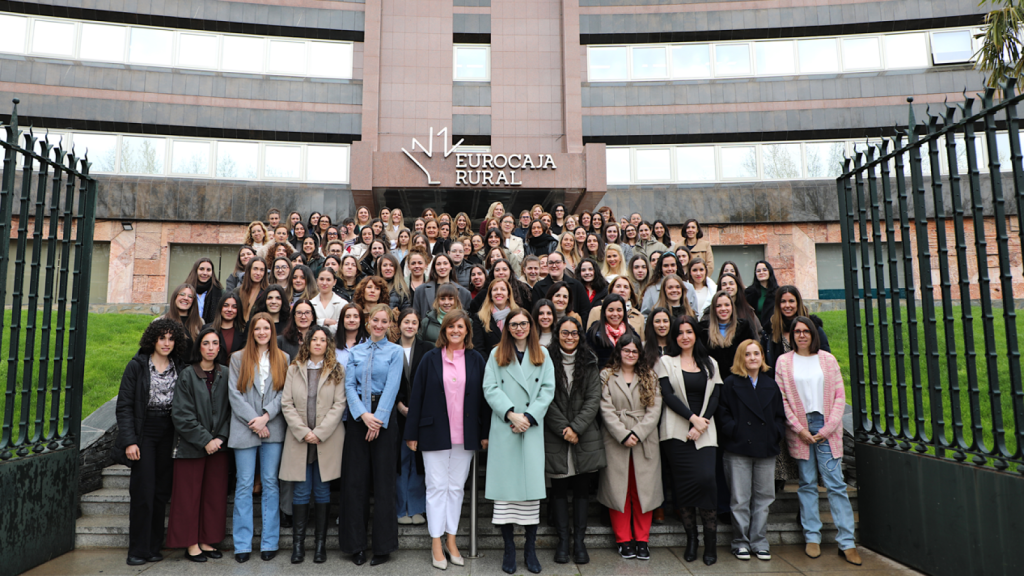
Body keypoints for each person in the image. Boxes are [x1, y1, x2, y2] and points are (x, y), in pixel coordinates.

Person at [404, 311, 489, 569]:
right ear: (444, 330)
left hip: (466, 435)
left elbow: (485, 399)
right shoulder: (430, 358)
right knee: (436, 487)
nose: (455, 330)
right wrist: (412, 433)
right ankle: (436, 543)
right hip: (433, 433)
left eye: (460, 327)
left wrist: (485, 433)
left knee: (455, 489)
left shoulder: (476, 359)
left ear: (467, 331)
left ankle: (451, 540)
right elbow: (416, 396)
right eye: (450, 326)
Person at [775, 317, 861, 566]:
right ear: (792, 336)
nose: (801, 335)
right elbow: (782, 400)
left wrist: (828, 427)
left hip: (827, 427)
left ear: (813, 334)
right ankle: (811, 536)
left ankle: (847, 542)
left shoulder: (827, 359)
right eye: (797, 331)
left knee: (835, 484)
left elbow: (839, 396)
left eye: (806, 331)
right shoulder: (784, 361)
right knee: (807, 483)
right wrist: (799, 428)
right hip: (800, 429)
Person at [482, 310, 555, 575]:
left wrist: (529, 417)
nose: (519, 328)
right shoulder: (496, 354)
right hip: (506, 427)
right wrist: (512, 413)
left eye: (524, 323)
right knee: (505, 498)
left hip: (530, 429)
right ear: (507, 328)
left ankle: (530, 548)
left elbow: (548, 390)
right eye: (514, 324)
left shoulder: (543, 355)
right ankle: (509, 548)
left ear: (530, 326)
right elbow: (490, 388)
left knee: (530, 496)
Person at [115, 319, 188, 566]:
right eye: (161, 338)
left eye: (171, 338)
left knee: (160, 493)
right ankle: (137, 550)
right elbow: (124, 406)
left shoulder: (179, 366)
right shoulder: (137, 366)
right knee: (143, 492)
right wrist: (129, 441)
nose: (166, 343)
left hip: (169, 432)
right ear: (153, 340)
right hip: (144, 433)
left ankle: (154, 547)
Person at [656, 315, 724, 566]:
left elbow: (716, 396)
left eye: (689, 331)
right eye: (680, 332)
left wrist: (702, 422)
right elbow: (667, 395)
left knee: (707, 481)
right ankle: (692, 540)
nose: (685, 336)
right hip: (676, 432)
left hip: (705, 432)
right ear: (675, 337)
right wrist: (692, 419)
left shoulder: (710, 363)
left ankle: (711, 542)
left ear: (696, 334)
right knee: (683, 487)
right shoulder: (666, 361)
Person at [341, 304, 404, 566]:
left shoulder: (396, 351)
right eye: (375, 320)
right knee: (355, 483)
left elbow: (392, 386)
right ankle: (355, 546)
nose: (379, 325)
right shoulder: (355, 352)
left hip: (384, 420)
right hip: (359, 420)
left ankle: (382, 547)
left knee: (384, 483)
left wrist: (377, 420)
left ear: (390, 324)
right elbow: (349, 385)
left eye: (384, 321)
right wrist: (363, 415)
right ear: (368, 323)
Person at [280, 326, 347, 564]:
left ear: (328, 344)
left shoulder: (336, 369)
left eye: (322, 340)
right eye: (314, 339)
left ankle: (320, 546)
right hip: (300, 439)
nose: (318, 343)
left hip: (326, 439)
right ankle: (298, 546)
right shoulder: (294, 369)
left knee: (321, 490)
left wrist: (319, 432)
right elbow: (286, 403)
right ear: (307, 343)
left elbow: (339, 405)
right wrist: (303, 432)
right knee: (300, 490)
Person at [227, 312, 290, 563]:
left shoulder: (283, 358)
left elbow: (285, 393)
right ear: (251, 332)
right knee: (243, 485)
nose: (262, 332)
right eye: (257, 329)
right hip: (245, 427)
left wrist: (266, 417)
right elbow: (234, 394)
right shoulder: (237, 358)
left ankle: (269, 542)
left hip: (272, 427)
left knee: (270, 484)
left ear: (272, 332)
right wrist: (255, 421)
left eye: (266, 328)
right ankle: (242, 544)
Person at [166, 328, 231, 562]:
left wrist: (220, 438)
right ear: (199, 347)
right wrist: (206, 440)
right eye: (206, 343)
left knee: (213, 496)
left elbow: (231, 411)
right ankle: (191, 543)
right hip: (191, 447)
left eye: (215, 343)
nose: (211, 348)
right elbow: (181, 414)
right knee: (188, 497)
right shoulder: (187, 375)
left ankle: (206, 540)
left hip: (219, 447)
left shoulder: (226, 373)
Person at [717, 339, 785, 562]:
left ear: (762, 358)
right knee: (739, 498)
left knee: (764, 497)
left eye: (757, 354)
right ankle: (740, 542)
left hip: (765, 448)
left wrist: (774, 433)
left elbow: (778, 416)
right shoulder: (730, 383)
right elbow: (722, 413)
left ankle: (759, 541)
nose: (753, 358)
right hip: (738, 448)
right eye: (748, 354)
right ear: (741, 358)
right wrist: (734, 430)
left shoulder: (771, 384)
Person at [545, 315, 605, 565]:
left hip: (585, 435)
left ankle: (579, 542)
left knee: (581, 490)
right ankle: (562, 541)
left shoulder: (589, 361)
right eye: (565, 332)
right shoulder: (545, 360)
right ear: (557, 333)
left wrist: (576, 427)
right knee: (558, 489)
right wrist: (563, 429)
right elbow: (544, 398)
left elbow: (594, 399)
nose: (569, 337)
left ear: (580, 336)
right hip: (556, 434)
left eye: (574, 333)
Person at [597, 333, 663, 561]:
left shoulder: (649, 376)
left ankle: (642, 540)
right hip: (616, 440)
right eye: (626, 350)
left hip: (645, 440)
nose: (631, 354)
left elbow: (655, 409)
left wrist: (638, 432)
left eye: (635, 351)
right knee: (619, 490)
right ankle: (624, 540)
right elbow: (605, 408)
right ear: (619, 351)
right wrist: (623, 434)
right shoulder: (606, 375)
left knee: (643, 490)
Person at [392, 308, 432, 527]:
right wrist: (399, 404)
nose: (410, 326)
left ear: (419, 326)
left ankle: (416, 507)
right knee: (400, 462)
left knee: (417, 462)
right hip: (396, 415)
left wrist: (416, 408)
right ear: (399, 325)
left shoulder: (428, 349)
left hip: (420, 414)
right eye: (406, 322)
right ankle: (401, 508)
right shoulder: (391, 349)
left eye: (414, 322)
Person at [412, 253, 473, 320]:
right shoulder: (420, 290)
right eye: (438, 264)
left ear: (451, 267)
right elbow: (415, 317)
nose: (442, 267)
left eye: (445, 263)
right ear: (434, 267)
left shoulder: (464, 293)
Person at [586, 294, 640, 368]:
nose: (615, 314)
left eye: (619, 310)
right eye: (611, 310)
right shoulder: (594, 332)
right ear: (604, 312)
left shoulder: (632, 334)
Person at [472, 278, 520, 360]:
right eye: (495, 289)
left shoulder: (519, 315)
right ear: (490, 295)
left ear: (508, 294)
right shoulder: (480, 318)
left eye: (503, 289)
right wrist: (491, 366)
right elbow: (478, 348)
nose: (498, 292)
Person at [206, 294, 246, 366]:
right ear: (220, 307)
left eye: (234, 307)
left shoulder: (245, 331)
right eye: (226, 305)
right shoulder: (207, 329)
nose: (229, 309)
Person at [160, 284, 202, 351]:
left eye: (190, 296)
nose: (186, 298)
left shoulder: (200, 322)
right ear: (175, 296)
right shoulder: (161, 321)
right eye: (182, 294)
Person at [185, 258, 223, 325]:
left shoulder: (220, 292)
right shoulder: (185, 289)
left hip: (211, 331)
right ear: (195, 270)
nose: (205, 273)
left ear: (212, 273)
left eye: (208, 270)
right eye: (201, 269)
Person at [745, 260, 779, 329]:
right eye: (758, 271)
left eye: (764, 270)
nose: (761, 272)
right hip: (754, 331)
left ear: (770, 272)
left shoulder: (778, 292)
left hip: (773, 331)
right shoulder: (749, 292)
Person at [235, 257, 269, 323]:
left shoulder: (268, 292)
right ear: (249, 270)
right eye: (255, 269)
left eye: (262, 270)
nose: (258, 273)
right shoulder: (237, 291)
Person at [313, 268, 347, 334]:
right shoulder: (311, 303)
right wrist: (324, 321)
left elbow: (342, 326)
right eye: (321, 279)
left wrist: (318, 323)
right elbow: (308, 325)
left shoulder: (343, 304)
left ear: (334, 282)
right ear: (317, 281)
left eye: (328, 280)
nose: (324, 283)